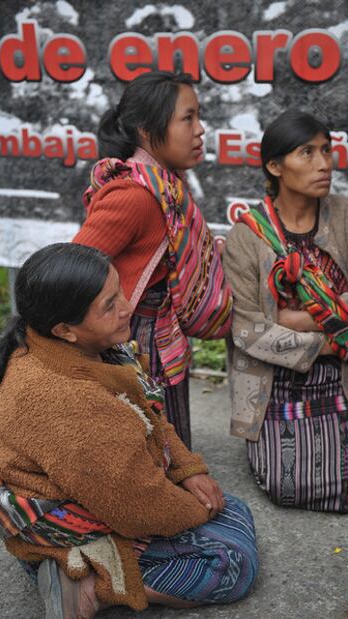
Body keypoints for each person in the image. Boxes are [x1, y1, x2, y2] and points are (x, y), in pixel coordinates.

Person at [0, 243, 257, 618]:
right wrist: (200, 509)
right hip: (69, 523)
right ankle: (96, 585)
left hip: (92, 491)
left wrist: (188, 468)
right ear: (65, 330)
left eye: (119, 290)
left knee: (231, 511)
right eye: (109, 305)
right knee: (234, 561)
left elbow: (146, 412)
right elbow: (138, 506)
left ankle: (72, 566)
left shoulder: (65, 345)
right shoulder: (70, 404)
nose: (127, 306)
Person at [223, 110, 348, 513]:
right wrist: (334, 330)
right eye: (306, 152)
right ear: (275, 166)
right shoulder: (246, 237)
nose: (324, 163)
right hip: (274, 383)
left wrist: (293, 316)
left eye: (326, 150)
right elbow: (246, 328)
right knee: (284, 484)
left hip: (341, 378)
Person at [73, 70, 232, 449]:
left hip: (156, 336)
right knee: (146, 449)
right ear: (147, 130)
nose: (200, 130)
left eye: (198, 117)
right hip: (135, 343)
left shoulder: (165, 187)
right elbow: (72, 268)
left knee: (165, 445)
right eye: (187, 118)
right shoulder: (135, 195)